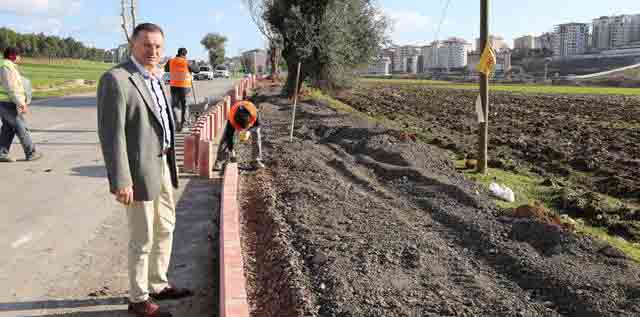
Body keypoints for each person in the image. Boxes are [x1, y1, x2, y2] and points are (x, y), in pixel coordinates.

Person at [97, 23, 192, 317]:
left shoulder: (155, 76)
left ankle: (157, 284)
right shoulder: (116, 79)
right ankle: (138, 299)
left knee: (166, 225)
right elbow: (112, 135)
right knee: (142, 235)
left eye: (158, 47)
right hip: (138, 172)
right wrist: (121, 180)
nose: (153, 52)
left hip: (162, 164)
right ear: (132, 45)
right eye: (146, 46)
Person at [0, 47, 42, 162]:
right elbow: (12, 88)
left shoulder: (7, 66)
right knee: (21, 127)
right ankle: (31, 152)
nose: (20, 58)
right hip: (8, 103)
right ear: (13, 56)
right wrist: (21, 103)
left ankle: (2, 152)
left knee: (8, 128)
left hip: (6, 102)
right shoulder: (6, 67)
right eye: (19, 55)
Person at [214, 100, 265, 170]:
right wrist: (231, 151)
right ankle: (219, 161)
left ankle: (256, 160)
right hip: (235, 111)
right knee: (225, 138)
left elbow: (258, 126)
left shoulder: (254, 113)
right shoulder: (232, 118)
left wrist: (249, 132)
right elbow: (229, 136)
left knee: (256, 134)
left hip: (250, 113)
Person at [164, 48, 198, 132]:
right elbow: (197, 70)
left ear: (178, 53)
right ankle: (184, 125)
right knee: (184, 106)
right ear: (185, 54)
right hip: (185, 86)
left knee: (175, 105)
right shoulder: (187, 62)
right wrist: (195, 64)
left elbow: (166, 69)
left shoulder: (171, 61)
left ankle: (176, 123)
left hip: (174, 86)